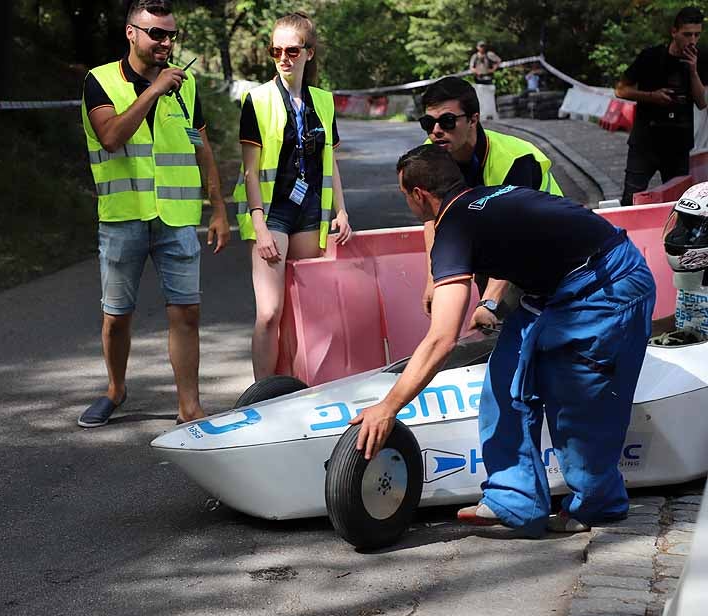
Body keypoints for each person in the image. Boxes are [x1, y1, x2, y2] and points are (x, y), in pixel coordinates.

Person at [351, 145, 655, 536]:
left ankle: (599, 506)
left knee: (579, 402)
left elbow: (441, 338)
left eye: (404, 195)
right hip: (557, 288)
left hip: (609, 286)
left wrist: (388, 407)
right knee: (504, 380)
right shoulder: (487, 197)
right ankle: (516, 500)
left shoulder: (453, 230)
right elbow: (528, 246)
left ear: (419, 195)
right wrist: (492, 304)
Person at [78, 0, 230, 427]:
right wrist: (155, 89)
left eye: (171, 35)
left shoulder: (188, 85)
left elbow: (203, 149)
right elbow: (111, 136)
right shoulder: (100, 80)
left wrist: (219, 209)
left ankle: (190, 408)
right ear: (131, 33)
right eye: (156, 34)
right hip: (123, 217)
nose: (166, 42)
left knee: (186, 312)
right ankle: (115, 389)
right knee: (116, 316)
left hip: (177, 218)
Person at [233, 12, 352, 380]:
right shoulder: (257, 99)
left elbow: (329, 159)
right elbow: (250, 169)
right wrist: (259, 225)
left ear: (309, 53)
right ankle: (260, 397)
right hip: (271, 213)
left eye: (292, 50)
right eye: (276, 50)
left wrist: (341, 210)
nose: (284, 58)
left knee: (303, 311)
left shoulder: (324, 101)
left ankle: (298, 388)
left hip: (309, 213)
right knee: (270, 312)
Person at [418, 76, 563, 325]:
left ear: (473, 119)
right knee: (500, 327)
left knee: (532, 321)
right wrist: (434, 280)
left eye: (447, 121)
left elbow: (518, 238)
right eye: (428, 123)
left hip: (548, 243)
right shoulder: (434, 152)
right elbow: (434, 218)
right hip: (494, 243)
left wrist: (489, 301)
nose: (436, 131)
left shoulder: (516, 159)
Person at [616, 6, 708, 206]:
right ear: (674, 32)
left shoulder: (701, 58)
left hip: (678, 143)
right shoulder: (650, 56)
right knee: (631, 197)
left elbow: (702, 103)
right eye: (687, 34)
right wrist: (651, 96)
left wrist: (693, 71)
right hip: (645, 141)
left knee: (679, 204)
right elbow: (621, 90)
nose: (692, 41)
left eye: (697, 35)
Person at [469, 41, 501, 120]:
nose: (482, 48)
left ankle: (492, 113)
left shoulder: (489, 54)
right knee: (480, 97)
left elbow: (498, 60)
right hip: (479, 79)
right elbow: (471, 68)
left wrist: (493, 69)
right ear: (477, 47)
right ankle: (481, 114)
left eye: (483, 46)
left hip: (488, 78)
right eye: (480, 46)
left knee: (491, 97)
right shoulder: (475, 56)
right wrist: (477, 72)